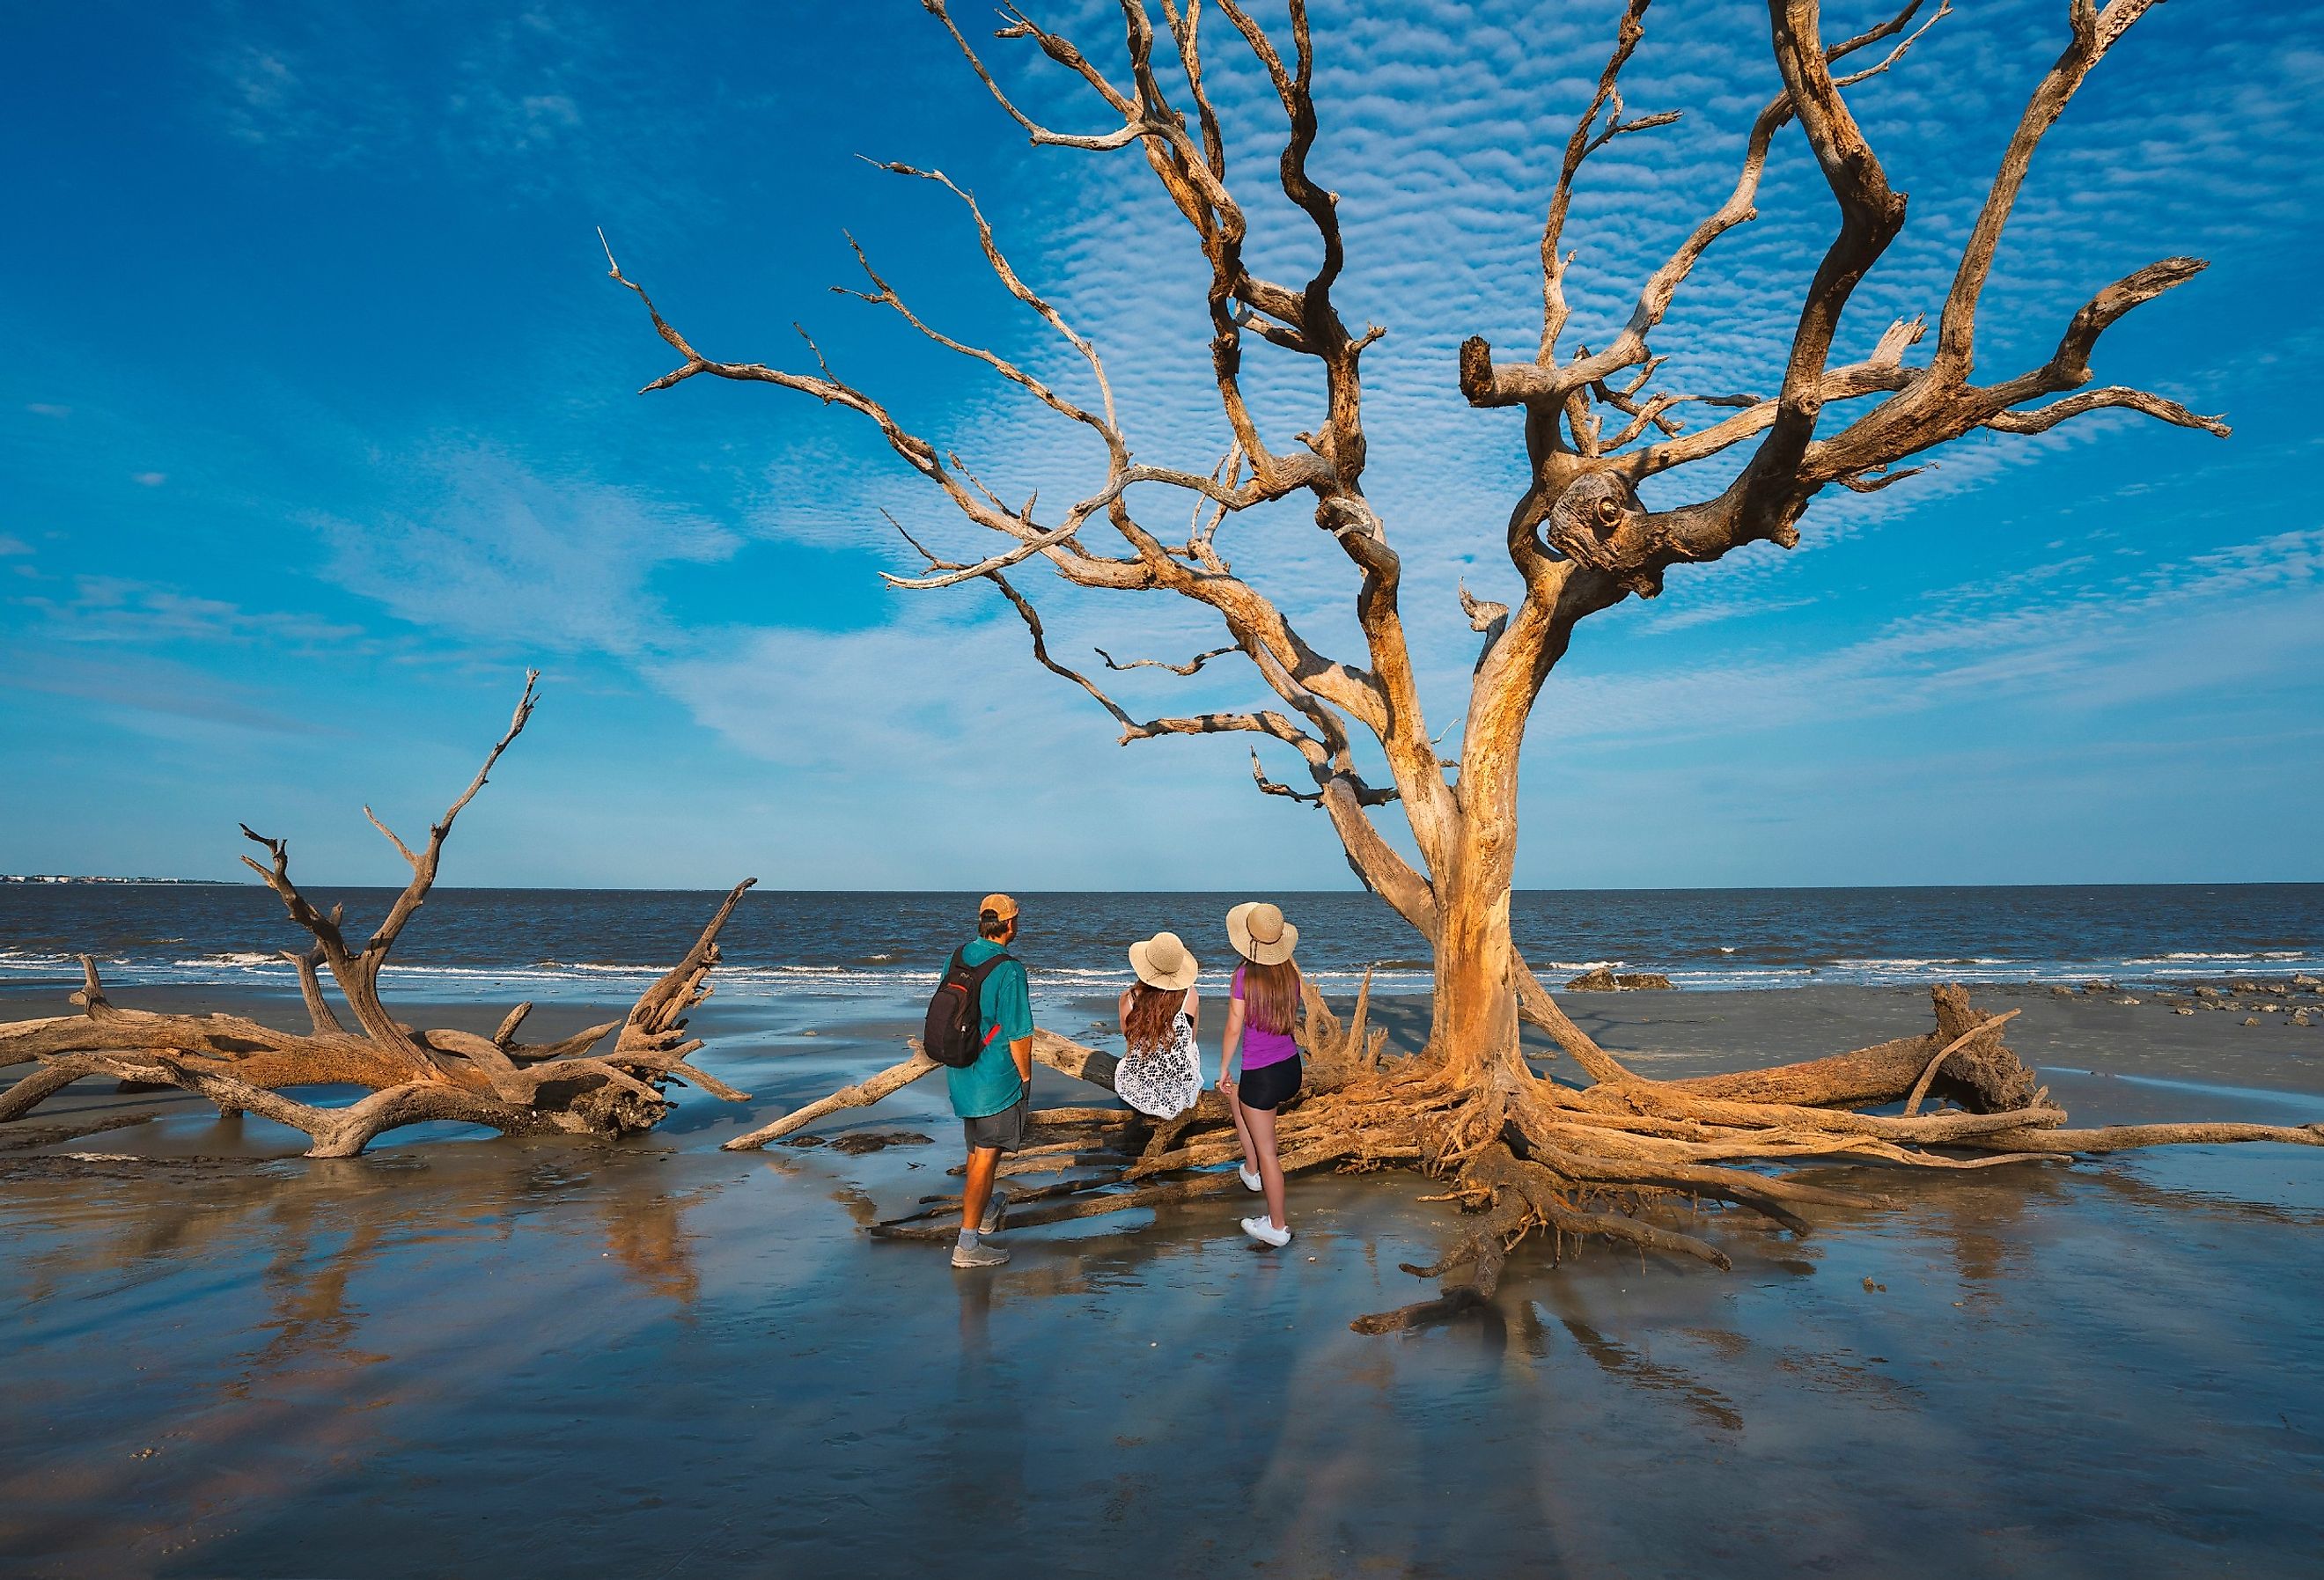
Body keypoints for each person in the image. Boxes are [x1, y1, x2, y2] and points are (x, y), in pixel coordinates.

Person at [949, 893, 1034, 1270]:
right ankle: (968, 1244)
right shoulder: (1010, 969)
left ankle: (981, 1215)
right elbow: (1019, 1033)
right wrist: (1026, 1078)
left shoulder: (957, 956)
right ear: (1010, 924)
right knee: (985, 1157)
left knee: (976, 1152)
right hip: (994, 1076)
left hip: (961, 1067)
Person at [1219, 900, 1302, 1248]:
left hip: (1262, 1074)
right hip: (1290, 1068)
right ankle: (1251, 1172)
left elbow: (1234, 1027)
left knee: (1269, 1152)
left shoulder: (1243, 976)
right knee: (1239, 1096)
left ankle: (1277, 1226)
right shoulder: (1290, 975)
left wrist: (1222, 1067)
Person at [1115, 931, 1202, 1119]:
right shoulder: (1191, 995)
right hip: (1180, 1081)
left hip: (1141, 1080)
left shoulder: (1128, 999)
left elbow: (1129, 1040)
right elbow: (1191, 1040)